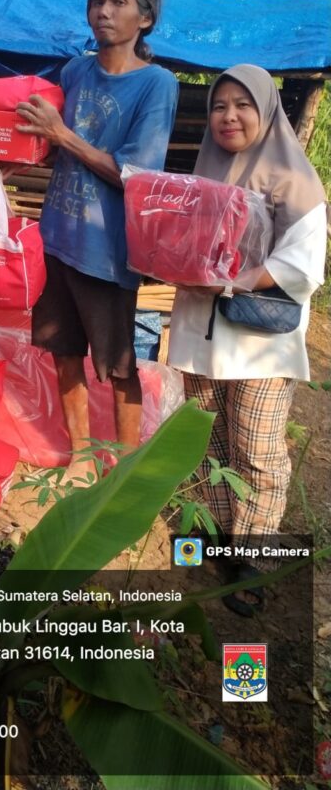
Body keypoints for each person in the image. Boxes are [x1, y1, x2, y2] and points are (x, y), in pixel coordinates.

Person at [168, 65, 326, 614]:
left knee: (256, 448)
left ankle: (251, 555)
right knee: (205, 439)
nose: (228, 116)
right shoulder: (205, 170)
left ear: (266, 110)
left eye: (242, 105)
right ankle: (211, 532)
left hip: (258, 340)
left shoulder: (295, 178)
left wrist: (227, 277)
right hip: (200, 332)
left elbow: (303, 268)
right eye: (219, 105)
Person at [15, 0, 178, 482]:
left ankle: (125, 472)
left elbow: (136, 173)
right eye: (98, 2)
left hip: (107, 252)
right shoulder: (76, 71)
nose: (104, 11)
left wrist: (62, 136)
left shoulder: (157, 85)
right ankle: (82, 457)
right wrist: (23, 145)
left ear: (145, 18)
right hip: (57, 239)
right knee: (64, 354)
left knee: (119, 366)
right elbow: (50, 145)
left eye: (118, 3)